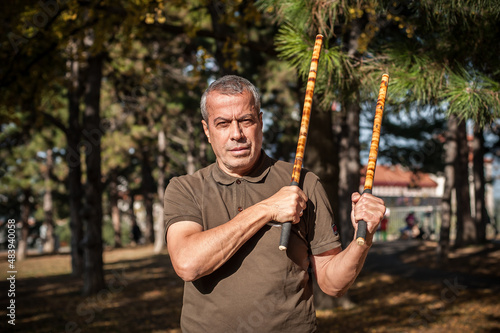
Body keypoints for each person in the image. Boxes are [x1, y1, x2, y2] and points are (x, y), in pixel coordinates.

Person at [164, 75, 386, 332]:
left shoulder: (304, 182)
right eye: (223, 124)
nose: (236, 134)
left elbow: (332, 283)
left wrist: (364, 238)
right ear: (207, 130)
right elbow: (188, 264)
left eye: (246, 121)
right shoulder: (185, 188)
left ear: (260, 120)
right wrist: (267, 209)